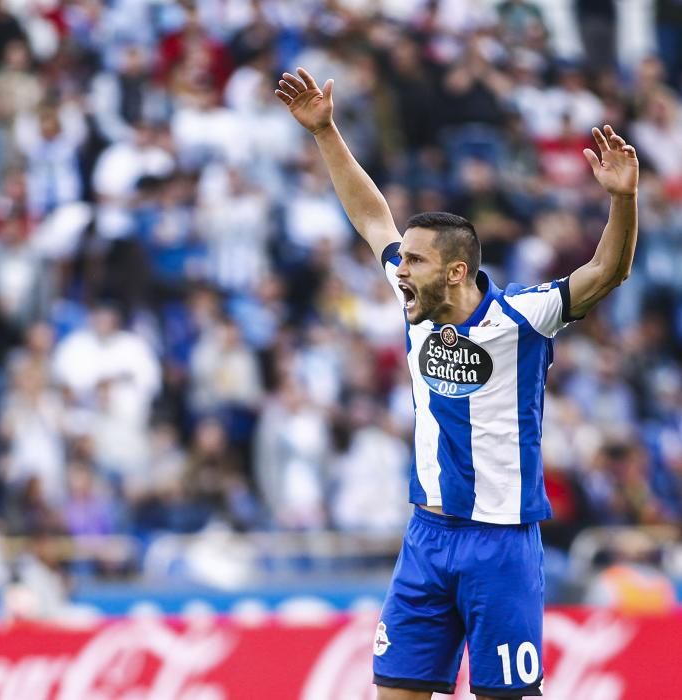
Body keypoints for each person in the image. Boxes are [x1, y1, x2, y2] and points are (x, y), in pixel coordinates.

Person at [275, 68, 638, 699]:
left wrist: (622, 200)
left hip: (501, 546)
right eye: (404, 260)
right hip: (426, 537)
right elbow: (372, 220)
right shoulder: (415, 301)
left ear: (456, 273)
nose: (399, 269)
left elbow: (608, 270)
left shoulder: (523, 317)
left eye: (415, 261)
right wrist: (326, 131)